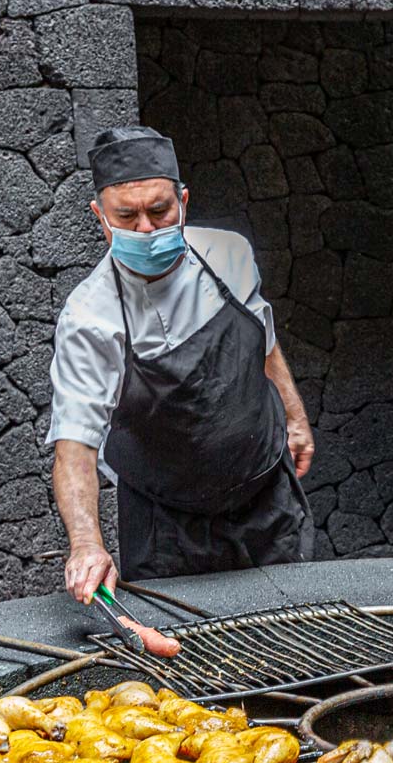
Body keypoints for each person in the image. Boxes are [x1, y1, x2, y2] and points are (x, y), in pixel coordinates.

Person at [46, 126, 316, 644]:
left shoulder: (229, 254)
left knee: (295, 642)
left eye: (160, 210)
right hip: (166, 525)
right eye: (127, 217)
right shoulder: (90, 317)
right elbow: (73, 446)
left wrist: (295, 417)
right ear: (100, 218)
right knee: (188, 662)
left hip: (265, 500)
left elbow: (262, 338)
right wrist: (85, 543)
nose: (146, 228)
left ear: (183, 201)